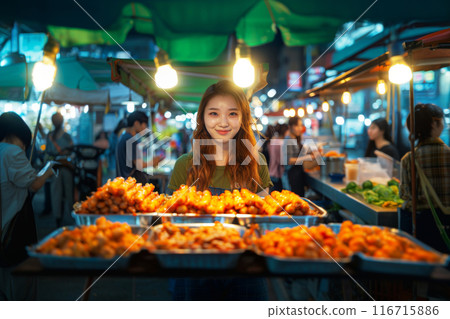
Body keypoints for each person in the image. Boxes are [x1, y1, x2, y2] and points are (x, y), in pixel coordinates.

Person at [167, 80, 273, 300]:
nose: (223, 122)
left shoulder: (256, 162)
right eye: (214, 113)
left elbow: (265, 221)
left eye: (232, 114)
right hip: (194, 267)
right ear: (202, 118)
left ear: (243, 118)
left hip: (246, 266)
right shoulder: (184, 165)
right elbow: (170, 226)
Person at [0, 112, 54, 300]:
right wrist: (49, 170)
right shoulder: (12, 152)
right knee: (23, 288)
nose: (25, 147)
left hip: (4, 227)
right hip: (14, 230)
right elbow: (34, 184)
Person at [400, 103, 450, 253]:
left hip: (422, 229)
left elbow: (405, 195)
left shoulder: (409, 158)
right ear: (434, 124)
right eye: (442, 121)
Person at [45, 112, 74, 227]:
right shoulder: (66, 136)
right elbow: (72, 151)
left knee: (56, 193)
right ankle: (71, 216)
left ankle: (58, 218)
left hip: (55, 167)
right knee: (68, 193)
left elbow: (47, 152)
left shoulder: (50, 135)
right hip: (66, 167)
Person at [115, 111, 161, 183]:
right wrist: (153, 162)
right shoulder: (130, 139)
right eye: (144, 124)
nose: (145, 128)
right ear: (136, 123)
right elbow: (139, 165)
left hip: (124, 181)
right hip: (130, 183)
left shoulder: (124, 137)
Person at [283, 116, 319, 197]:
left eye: (301, 126)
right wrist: (307, 157)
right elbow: (288, 160)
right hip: (291, 177)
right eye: (297, 126)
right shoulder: (288, 141)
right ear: (290, 127)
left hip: (298, 176)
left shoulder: (295, 139)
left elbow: (299, 153)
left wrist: (311, 152)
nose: (300, 128)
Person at [268, 124, 288, 191]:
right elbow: (282, 161)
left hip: (271, 171)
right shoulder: (281, 143)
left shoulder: (273, 141)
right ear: (285, 132)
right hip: (278, 174)